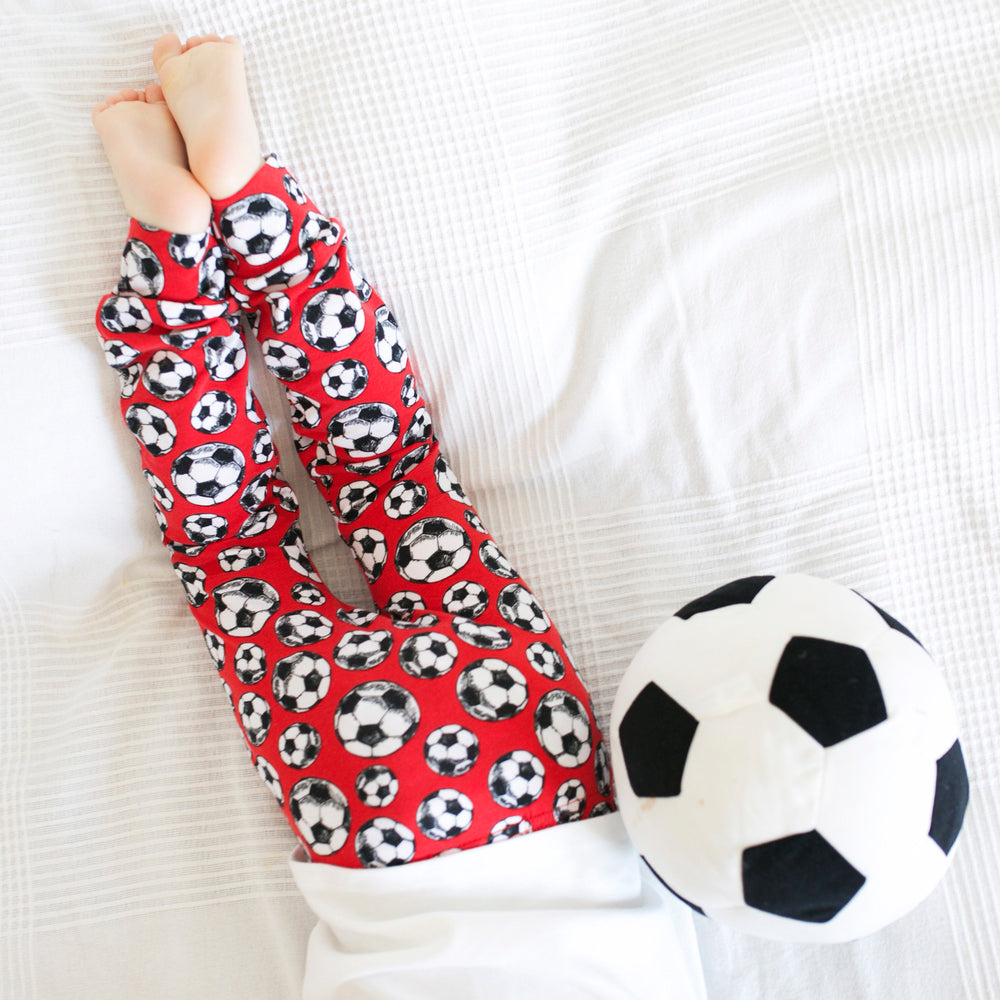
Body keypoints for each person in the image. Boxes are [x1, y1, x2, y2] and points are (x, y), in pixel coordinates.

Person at [92, 33, 706, 998]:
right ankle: (169, 253)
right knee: (233, 548)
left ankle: (249, 197)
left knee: (392, 470)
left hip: (531, 759)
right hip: (365, 815)